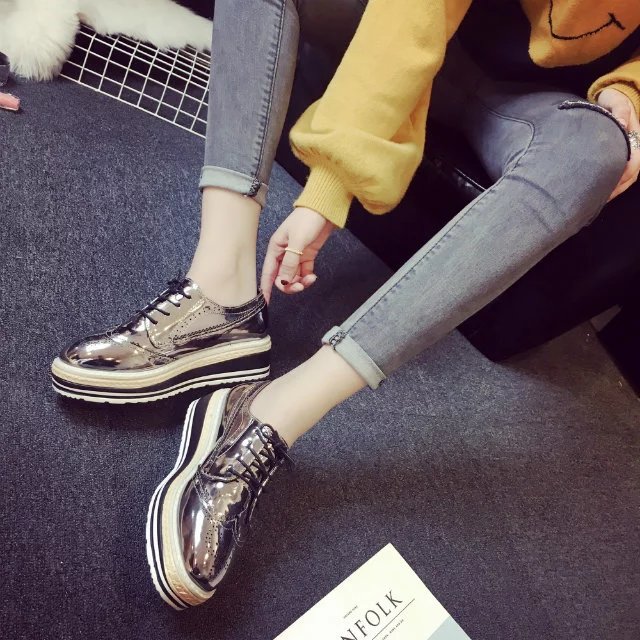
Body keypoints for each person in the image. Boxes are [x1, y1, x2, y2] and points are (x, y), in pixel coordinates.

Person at [51, 0, 639, 609]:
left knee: (595, 150)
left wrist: (632, 92)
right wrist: (330, 187)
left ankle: (269, 412)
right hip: (419, 21)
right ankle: (221, 293)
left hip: (536, 101)